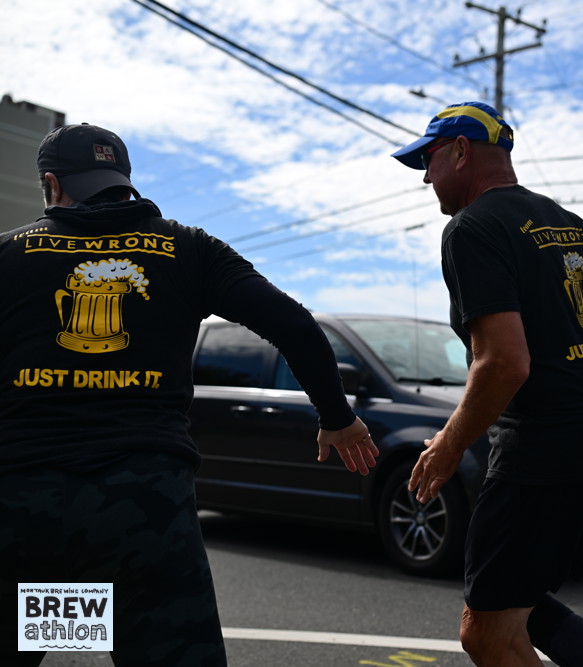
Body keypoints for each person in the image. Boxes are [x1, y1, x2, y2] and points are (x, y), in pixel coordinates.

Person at [0, 123, 379, 666]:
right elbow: (295, 325)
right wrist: (337, 417)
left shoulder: (9, 253)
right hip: (144, 512)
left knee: (39, 634)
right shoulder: (189, 247)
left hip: (25, 509)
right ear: (123, 181)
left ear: (52, 184)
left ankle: (69, 627)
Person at [391, 102, 583, 666]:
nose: (426, 178)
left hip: (539, 453)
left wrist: (447, 446)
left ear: (460, 151)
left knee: (485, 632)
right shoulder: (565, 223)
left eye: (428, 160)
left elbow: (505, 362)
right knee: (518, 600)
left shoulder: (470, 229)